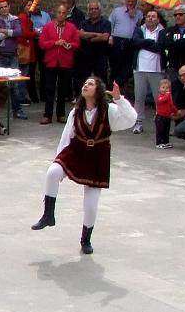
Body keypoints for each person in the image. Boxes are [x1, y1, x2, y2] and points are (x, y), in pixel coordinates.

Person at [30, 76, 137, 254]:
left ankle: (85, 239)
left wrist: (119, 99)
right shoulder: (76, 111)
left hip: (97, 157)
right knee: (53, 172)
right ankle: (48, 215)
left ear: (98, 90)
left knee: (91, 205)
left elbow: (131, 119)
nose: (85, 85)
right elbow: (66, 136)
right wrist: (59, 158)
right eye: (85, 83)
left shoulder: (109, 111)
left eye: (90, 84)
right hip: (76, 151)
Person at [37, 10, 79, 124]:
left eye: (63, 13)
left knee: (62, 90)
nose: (61, 14)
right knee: (49, 89)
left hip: (65, 62)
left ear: (66, 15)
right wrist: (55, 43)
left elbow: (77, 43)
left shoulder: (72, 27)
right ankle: (47, 115)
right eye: (59, 12)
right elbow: (42, 44)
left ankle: (61, 114)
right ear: (56, 14)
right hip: (51, 62)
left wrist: (69, 45)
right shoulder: (47, 27)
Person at [0, 0, 26, 120]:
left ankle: (17, 110)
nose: (4, 9)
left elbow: (19, 32)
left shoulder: (15, 19)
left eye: (6, 6)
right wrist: (10, 33)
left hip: (13, 55)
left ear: (9, 7)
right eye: (1, 7)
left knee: (14, 84)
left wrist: (4, 31)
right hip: (0, 55)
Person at [132, 9, 166, 133]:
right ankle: (138, 122)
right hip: (140, 69)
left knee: (158, 98)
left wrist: (143, 44)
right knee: (139, 97)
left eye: (153, 16)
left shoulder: (162, 31)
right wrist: (150, 42)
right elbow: (135, 42)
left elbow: (160, 47)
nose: (150, 18)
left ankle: (160, 122)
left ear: (158, 19)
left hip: (156, 70)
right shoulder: (139, 29)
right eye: (148, 16)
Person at [108, 0, 141, 94]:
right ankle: (113, 90)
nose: (130, 3)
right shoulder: (117, 11)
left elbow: (139, 27)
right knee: (115, 67)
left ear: (136, 2)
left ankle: (116, 85)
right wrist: (110, 37)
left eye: (132, 1)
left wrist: (133, 16)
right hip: (117, 41)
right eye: (128, 1)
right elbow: (110, 24)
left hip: (130, 43)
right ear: (125, 1)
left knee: (128, 69)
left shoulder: (139, 14)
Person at [75, 0, 113, 86]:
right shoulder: (83, 23)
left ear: (100, 10)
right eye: (91, 9)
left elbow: (104, 37)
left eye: (96, 9)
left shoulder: (106, 23)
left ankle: (103, 99)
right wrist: (97, 34)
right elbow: (80, 35)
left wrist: (88, 36)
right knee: (83, 81)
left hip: (100, 58)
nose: (93, 11)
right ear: (88, 11)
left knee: (102, 81)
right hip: (85, 57)